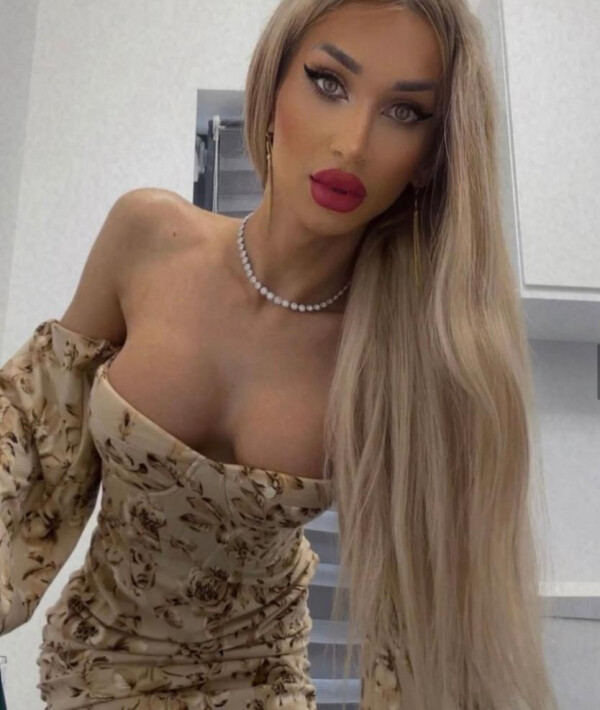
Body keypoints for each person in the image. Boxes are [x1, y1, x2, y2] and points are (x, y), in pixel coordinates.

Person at [0, 1, 558, 709]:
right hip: (91, 669)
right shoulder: (147, 237)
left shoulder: (408, 359)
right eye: (329, 82)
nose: (353, 144)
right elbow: (34, 444)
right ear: (273, 85)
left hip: (260, 687)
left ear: (429, 159)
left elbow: (423, 635)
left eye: (404, 112)